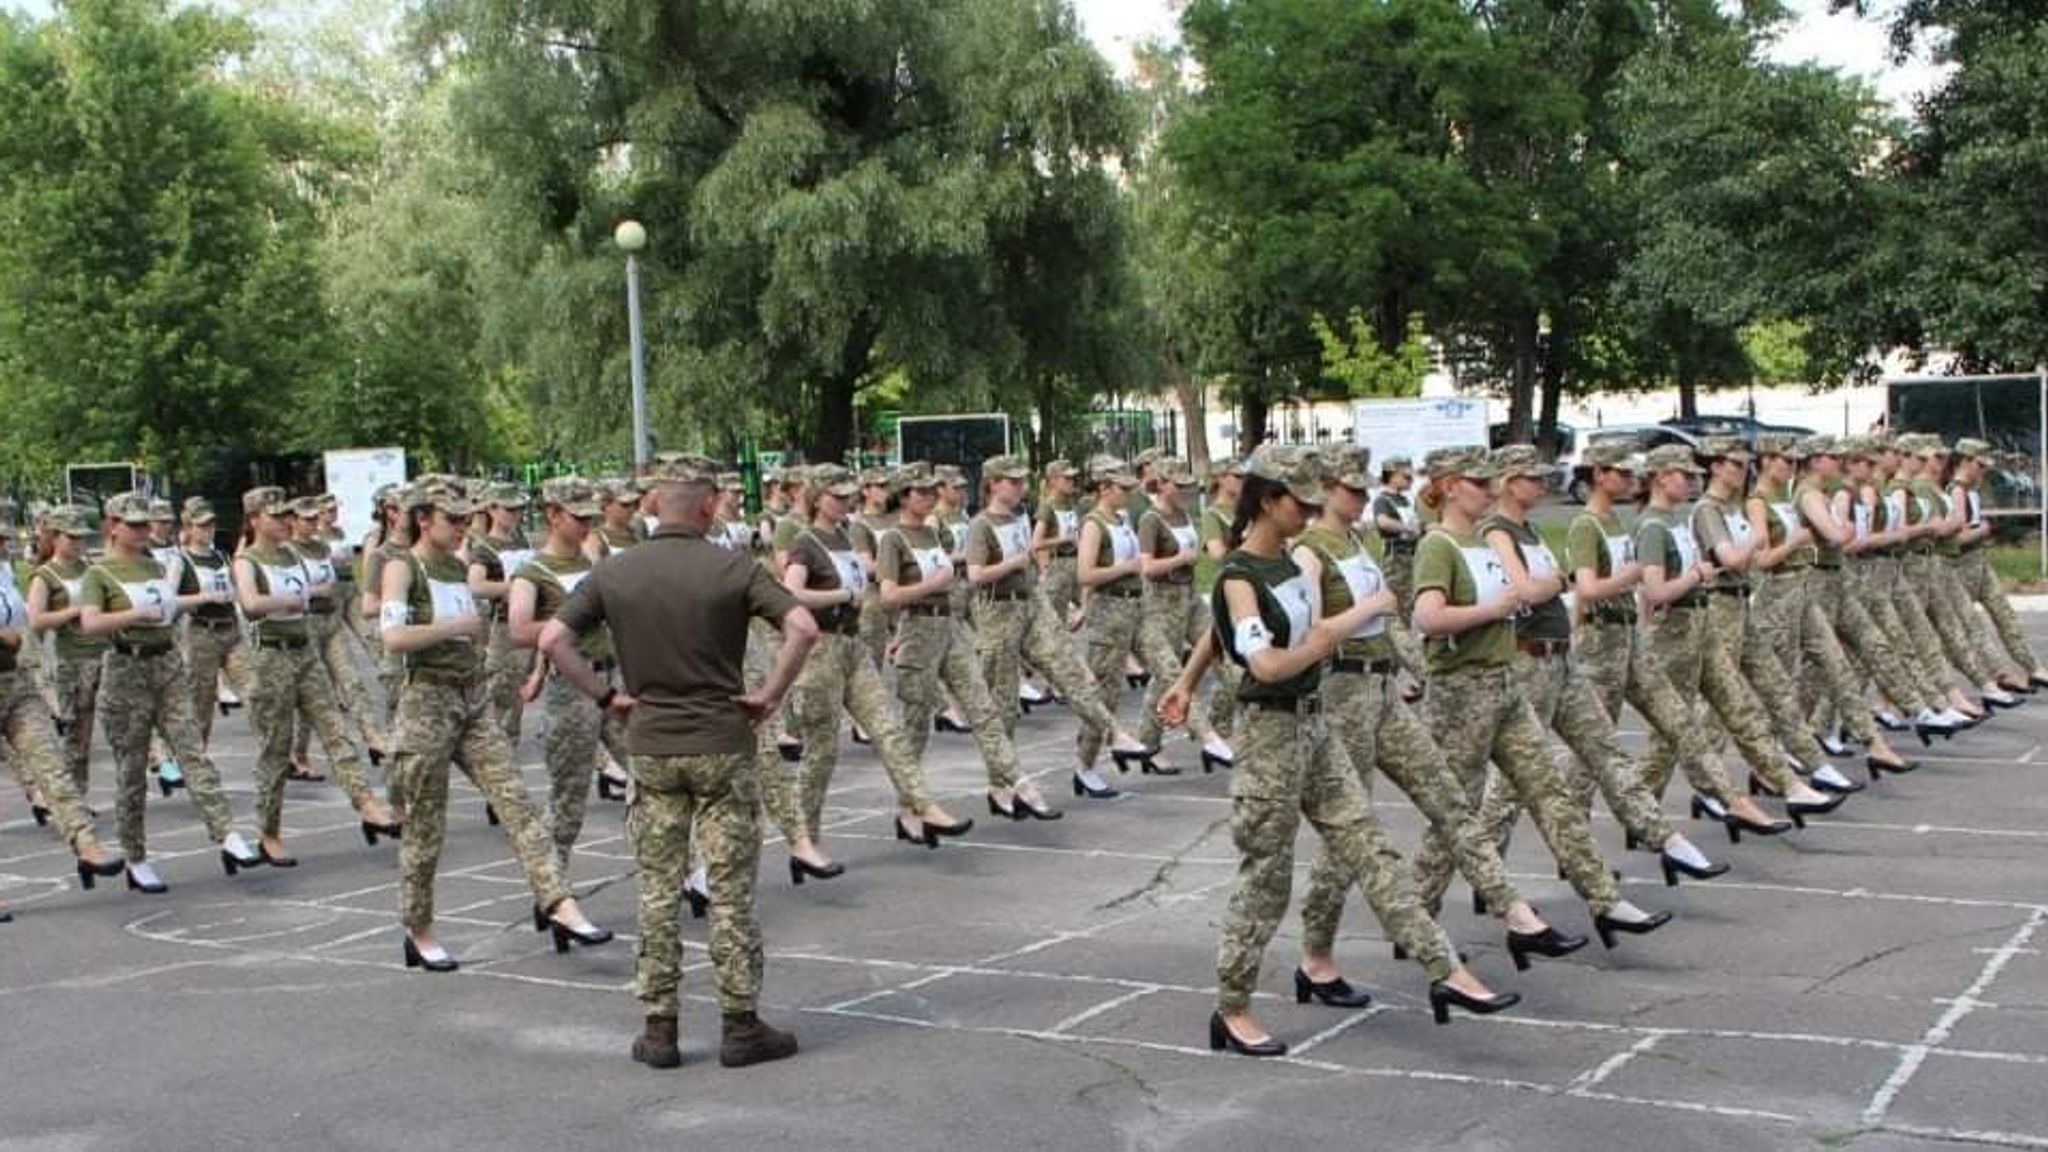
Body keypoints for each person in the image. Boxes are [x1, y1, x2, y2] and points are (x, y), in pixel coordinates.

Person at [1159, 444, 1519, 1056]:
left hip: (1315, 726)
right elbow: (1266, 663)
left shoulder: (1284, 566)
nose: (1310, 510)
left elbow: (1222, 636)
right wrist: (1332, 633)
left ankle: (1445, 969)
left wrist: (1187, 681)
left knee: (1370, 846)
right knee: (1266, 881)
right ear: (1269, 502)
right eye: (1300, 502)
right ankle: (1234, 1006)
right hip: (1269, 736)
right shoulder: (1242, 575)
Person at [539, 453, 818, 1070]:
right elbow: (802, 627)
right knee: (729, 890)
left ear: (652, 507)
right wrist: (769, 695)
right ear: (707, 506)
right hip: (722, 742)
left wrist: (607, 696)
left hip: (653, 745)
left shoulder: (615, 572)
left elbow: (551, 639)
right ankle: (740, 1025)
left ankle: (659, 1027)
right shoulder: (732, 566)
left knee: (659, 889)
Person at [1288, 445, 1581, 970]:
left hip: (1382, 690)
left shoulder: (1356, 541)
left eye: (1362, 489)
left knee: (1449, 800)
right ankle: (1317, 956)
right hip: (1343, 695)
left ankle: (1514, 911)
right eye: (1350, 489)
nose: (1359, 498)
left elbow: (1394, 625)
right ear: (1324, 491)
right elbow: (1313, 632)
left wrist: (1417, 668)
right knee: (1346, 837)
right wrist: (1369, 608)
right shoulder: (1310, 551)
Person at [1409, 447, 1671, 948]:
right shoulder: (1439, 544)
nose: (1487, 490)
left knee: (1550, 790)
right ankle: (1418, 916)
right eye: (1477, 482)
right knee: (1455, 811)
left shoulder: (1481, 542)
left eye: (1491, 482)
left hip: (1504, 680)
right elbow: (1427, 618)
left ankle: (1602, 898)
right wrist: (1494, 608)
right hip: (1460, 691)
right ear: (1447, 485)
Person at [1472, 444, 1727, 886]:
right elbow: (1528, 592)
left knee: (1605, 750)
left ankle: (1663, 839)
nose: (1543, 485)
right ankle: (1488, 872)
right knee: (1515, 782)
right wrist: (1563, 582)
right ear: (1509, 483)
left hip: (1561, 657)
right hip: (1528, 660)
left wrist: (1569, 621)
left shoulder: (1530, 530)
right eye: (1533, 478)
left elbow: (1555, 596)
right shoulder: (1498, 531)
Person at [379, 482, 609, 973]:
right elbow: (394, 637)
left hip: (472, 695)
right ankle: (418, 930)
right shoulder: (404, 566)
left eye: (466, 518)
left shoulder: (457, 566)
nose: (462, 526)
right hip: (426, 700)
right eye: (453, 518)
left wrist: (525, 668)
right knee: (425, 823)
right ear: (424, 518)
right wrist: (452, 628)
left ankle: (559, 903)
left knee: (517, 803)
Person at [770, 463, 971, 877]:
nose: (845, 502)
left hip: (853, 644)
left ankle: (922, 804)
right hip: (821, 649)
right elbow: (789, 594)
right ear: (817, 497)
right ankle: (804, 841)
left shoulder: (845, 536)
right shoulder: (807, 543)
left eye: (848, 496)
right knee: (821, 754)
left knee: (888, 729)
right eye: (836, 496)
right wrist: (842, 594)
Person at [1633, 446, 1846, 825]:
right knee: (1675, 730)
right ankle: (1648, 808)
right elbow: (1667, 587)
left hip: (1717, 613)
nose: (1690, 480)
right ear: (1661, 477)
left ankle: (1789, 782)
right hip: (1692, 624)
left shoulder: (1684, 519)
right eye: (1683, 474)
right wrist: (1747, 546)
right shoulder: (1674, 519)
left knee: (1746, 702)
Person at [79, 493, 261, 892]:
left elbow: (169, 604)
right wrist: (133, 615)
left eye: (148, 524)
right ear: (113, 526)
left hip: (166, 663)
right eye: (136, 525)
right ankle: (136, 856)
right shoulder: (100, 573)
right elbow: (89, 623)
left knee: (192, 749)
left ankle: (227, 832)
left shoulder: (152, 564)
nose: (146, 531)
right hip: (127, 668)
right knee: (132, 771)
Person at [965, 454, 1159, 800]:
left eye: (1023, 481)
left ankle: (1114, 733)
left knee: (1073, 672)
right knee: (1003, 705)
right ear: (993, 484)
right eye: (1013, 481)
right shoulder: (981, 524)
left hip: (1030, 604)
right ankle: (1001, 783)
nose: (1020, 487)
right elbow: (976, 575)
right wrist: (1017, 562)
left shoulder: (1018, 516)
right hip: (997, 613)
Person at [879, 460, 1059, 820]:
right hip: (919, 630)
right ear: (903, 496)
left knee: (983, 708)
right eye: (922, 492)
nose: (930, 498)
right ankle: (908, 807)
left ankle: (1017, 780)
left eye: (933, 491)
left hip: (950, 628)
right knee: (915, 729)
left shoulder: (934, 533)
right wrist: (935, 584)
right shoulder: (893, 540)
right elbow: (888, 596)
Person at [235, 487, 399, 864]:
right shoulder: (248, 560)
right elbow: (250, 603)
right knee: (275, 751)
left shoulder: (293, 553)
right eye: (277, 516)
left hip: (304, 650)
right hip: (269, 659)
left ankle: (367, 804)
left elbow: (328, 584)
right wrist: (295, 598)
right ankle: (269, 832)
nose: (285, 523)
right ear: (256, 519)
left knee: (336, 731)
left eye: (286, 516)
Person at [1, 513, 127, 899]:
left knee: (52, 764)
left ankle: (86, 844)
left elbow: (22, 627)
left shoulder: (5, 573)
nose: (2, 545)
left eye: (2, 539)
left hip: (13, 681)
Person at [508, 477, 610, 877]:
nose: (586, 525)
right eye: (577, 517)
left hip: (609, 679)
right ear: (553, 516)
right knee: (569, 798)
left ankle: (688, 873)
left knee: (649, 777)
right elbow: (520, 630)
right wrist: (569, 629)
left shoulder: (589, 562)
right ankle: (549, 883)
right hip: (571, 691)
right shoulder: (532, 572)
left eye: (590, 517)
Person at [1132, 458, 1236, 773]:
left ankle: (1219, 728)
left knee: (1229, 659)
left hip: (1190, 600)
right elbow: (1147, 568)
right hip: (1161, 604)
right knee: (1169, 675)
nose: (1184, 491)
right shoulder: (1151, 519)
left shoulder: (1185, 515)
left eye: (1187, 486)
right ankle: (1156, 743)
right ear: (1161, 484)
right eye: (1178, 485)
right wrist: (1179, 558)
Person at [1073, 456, 1159, 775]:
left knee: (1167, 667)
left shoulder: (1121, 519)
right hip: (1110, 611)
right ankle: (1085, 767)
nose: (1127, 494)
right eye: (1121, 488)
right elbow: (1085, 573)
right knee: (1105, 692)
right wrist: (1124, 568)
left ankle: (1165, 741)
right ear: (1104, 488)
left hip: (1136, 607)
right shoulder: (1094, 523)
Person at [27, 506, 106, 799]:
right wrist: (75, 611)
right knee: (78, 738)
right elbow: (37, 620)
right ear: (56, 537)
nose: (78, 543)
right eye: (71, 537)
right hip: (72, 660)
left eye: (81, 538)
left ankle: (158, 763)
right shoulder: (44, 575)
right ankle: (74, 798)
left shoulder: (90, 569)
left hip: (105, 654)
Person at [467, 483, 536, 752]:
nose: (515, 515)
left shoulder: (521, 540)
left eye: (519, 509)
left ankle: (508, 743)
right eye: (509, 510)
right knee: (499, 691)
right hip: (505, 626)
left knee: (517, 691)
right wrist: (515, 587)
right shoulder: (484, 546)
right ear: (492, 510)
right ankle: (493, 747)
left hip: (528, 622)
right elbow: (476, 585)